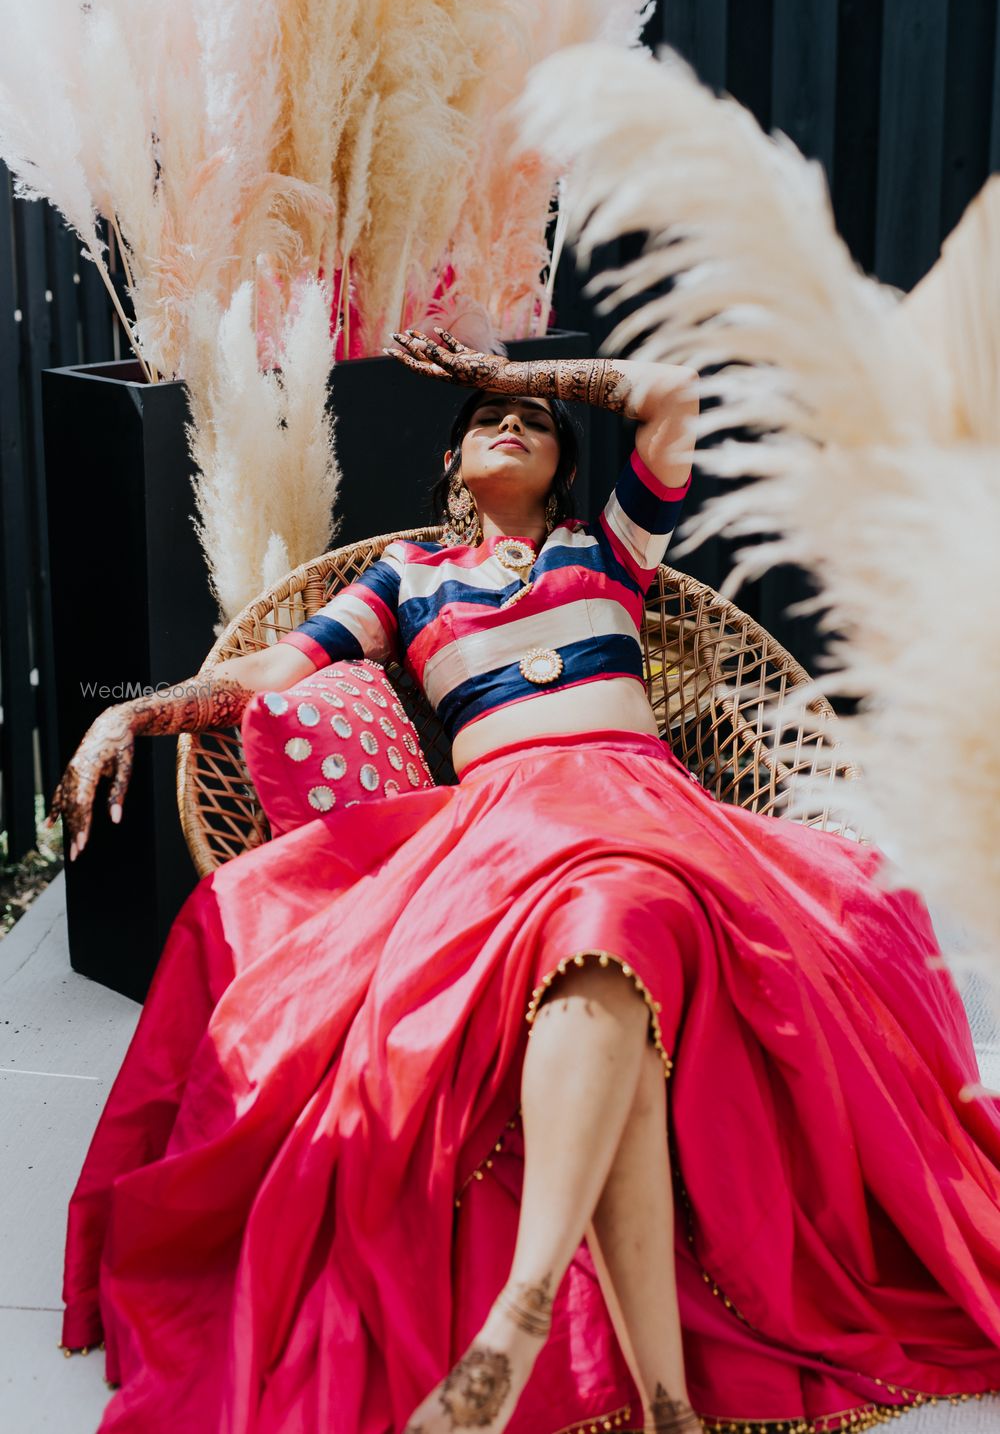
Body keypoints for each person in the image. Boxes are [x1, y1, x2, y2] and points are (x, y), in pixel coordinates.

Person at [48, 332, 1000, 1434]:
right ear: (452, 467)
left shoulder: (607, 552)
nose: (513, 424)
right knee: (610, 926)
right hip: (504, 824)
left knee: (634, 905)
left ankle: (525, 1307)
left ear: (561, 460)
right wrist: (132, 710)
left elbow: (673, 398)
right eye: (488, 421)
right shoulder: (406, 580)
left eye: (536, 422)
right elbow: (273, 672)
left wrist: (526, 376)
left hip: (650, 806)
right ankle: (662, 1399)